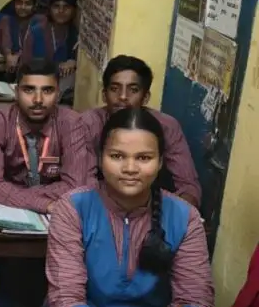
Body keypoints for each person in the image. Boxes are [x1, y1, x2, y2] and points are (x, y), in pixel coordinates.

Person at [45, 107, 214, 307]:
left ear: (161, 162)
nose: (130, 168)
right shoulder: (73, 208)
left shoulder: (184, 217)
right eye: (117, 156)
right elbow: (68, 302)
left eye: (144, 158)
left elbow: (196, 303)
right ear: (100, 157)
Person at [80, 55, 201, 207]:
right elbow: (83, 182)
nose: (123, 97)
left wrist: (178, 214)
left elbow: (188, 186)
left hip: (152, 207)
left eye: (133, 90)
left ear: (145, 97)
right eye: (114, 89)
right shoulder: (88, 124)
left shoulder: (166, 126)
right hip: (100, 206)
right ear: (104, 95)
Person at [0, 60, 89, 213]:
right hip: (14, 209)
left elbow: (74, 184)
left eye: (47, 91)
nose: (38, 99)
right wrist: (44, 204)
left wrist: (14, 194)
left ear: (58, 94)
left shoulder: (71, 123)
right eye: (29, 90)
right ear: (16, 92)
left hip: (53, 207)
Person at [22, 0, 79, 77]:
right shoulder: (36, 32)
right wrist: (58, 66)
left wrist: (73, 62)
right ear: (50, 9)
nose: (61, 11)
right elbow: (26, 66)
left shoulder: (75, 36)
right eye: (56, 6)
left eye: (66, 7)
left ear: (74, 10)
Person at [0, 0, 45, 73]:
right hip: (10, 65)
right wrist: (8, 55)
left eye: (27, 4)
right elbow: (5, 43)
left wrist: (18, 56)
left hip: (33, 66)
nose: (23, 7)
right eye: (19, 3)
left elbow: (36, 47)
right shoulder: (7, 20)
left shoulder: (40, 21)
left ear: (34, 6)